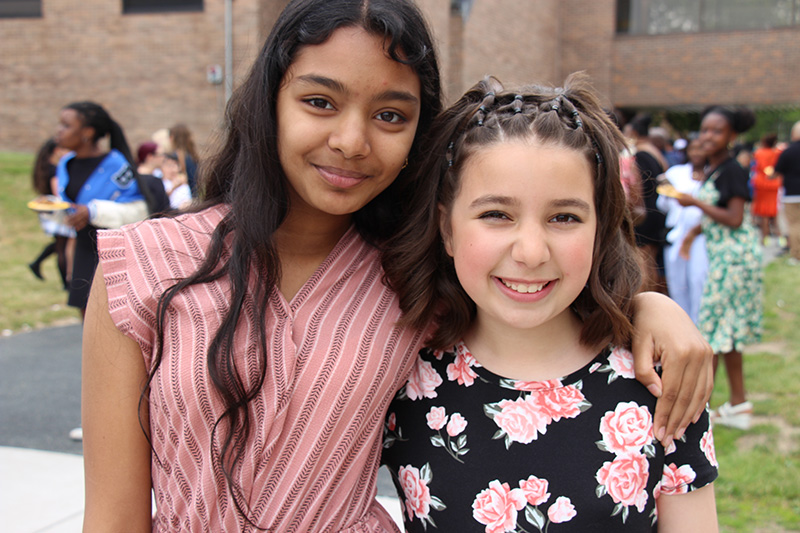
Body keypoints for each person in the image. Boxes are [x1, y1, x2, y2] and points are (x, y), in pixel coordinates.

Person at [81, 1, 712, 531]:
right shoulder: (140, 270)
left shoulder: (409, 279)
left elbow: (528, 284)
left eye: (390, 115)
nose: (352, 140)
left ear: (418, 134)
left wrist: (649, 306)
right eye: (320, 101)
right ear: (268, 101)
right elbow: (112, 517)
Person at [381, 74, 718, 532]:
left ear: (600, 229)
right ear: (446, 229)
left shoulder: (659, 384)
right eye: (496, 215)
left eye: (564, 217)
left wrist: (651, 306)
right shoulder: (399, 379)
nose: (531, 252)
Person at [678, 106, 763, 430]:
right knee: (727, 334)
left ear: (732, 136)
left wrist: (695, 203)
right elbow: (718, 216)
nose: (708, 136)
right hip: (726, 258)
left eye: (717, 131)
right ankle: (739, 404)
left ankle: (700, 410)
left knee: (711, 332)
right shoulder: (716, 169)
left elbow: (735, 218)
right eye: (705, 130)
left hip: (735, 261)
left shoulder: (731, 170)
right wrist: (692, 233)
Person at [54, 101, 148, 318]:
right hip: (83, 248)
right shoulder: (65, 163)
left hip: (113, 251)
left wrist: (93, 212)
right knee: (85, 316)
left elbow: (139, 209)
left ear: (87, 132)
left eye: (66, 125)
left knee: (112, 319)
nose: (59, 130)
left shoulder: (117, 165)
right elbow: (70, 204)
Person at [657, 137, 708, 323]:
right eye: (693, 149)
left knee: (698, 280)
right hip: (676, 234)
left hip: (700, 236)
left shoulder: (711, 174)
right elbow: (662, 204)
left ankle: (700, 325)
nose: (696, 153)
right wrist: (667, 192)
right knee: (677, 282)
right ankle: (683, 325)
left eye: (700, 149)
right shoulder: (677, 172)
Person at [625, 114, 668, 293]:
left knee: (643, 262)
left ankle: (646, 297)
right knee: (650, 260)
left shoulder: (640, 155)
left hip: (646, 214)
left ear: (634, 133)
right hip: (656, 210)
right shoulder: (655, 151)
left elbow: (638, 189)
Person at [28, 138, 73, 289]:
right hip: (57, 212)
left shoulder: (44, 167)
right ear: (57, 150)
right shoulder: (54, 169)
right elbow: (58, 193)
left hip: (49, 212)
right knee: (62, 246)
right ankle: (66, 283)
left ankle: (36, 263)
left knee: (59, 244)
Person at [751, 133, 783, 244]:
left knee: (763, 213)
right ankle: (781, 239)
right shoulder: (777, 153)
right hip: (774, 184)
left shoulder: (759, 153)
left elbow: (762, 168)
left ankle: (765, 238)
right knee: (774, 212)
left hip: (762, 185)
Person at [775, 120, 800, 264]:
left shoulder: (787, 152)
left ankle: (796, 255)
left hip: (791, 194)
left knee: (795, 225)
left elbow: (777, 171)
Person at [169, 123, 200, 196]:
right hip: (195, 193)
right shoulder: (192, 155)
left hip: (185, 196)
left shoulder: (176, 157)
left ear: (172, 137)